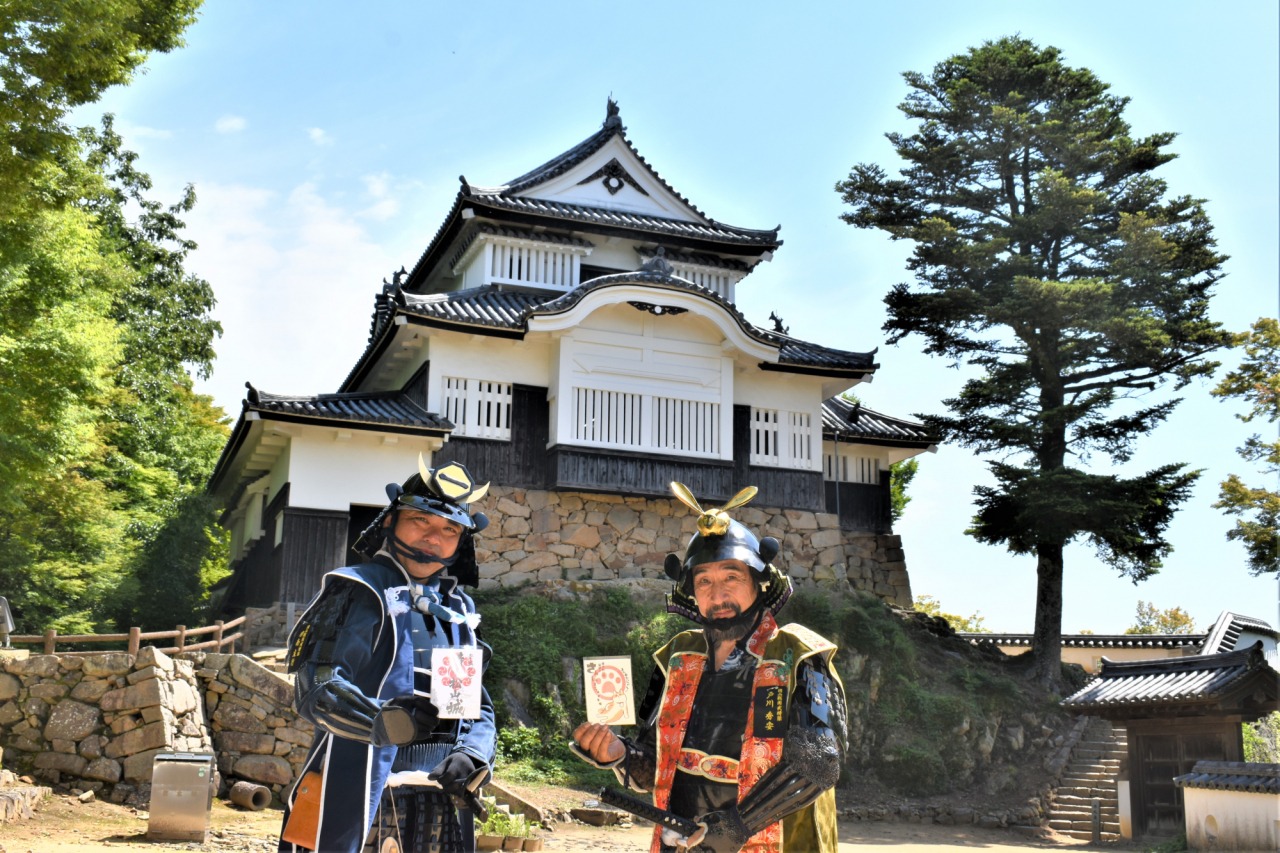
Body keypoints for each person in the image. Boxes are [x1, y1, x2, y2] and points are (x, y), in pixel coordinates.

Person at [572, 483, 847, 853]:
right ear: (692, 592)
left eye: (731, 577)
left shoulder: (799, 655)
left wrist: (738, 826)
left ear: (759, 582)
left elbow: (819, 764)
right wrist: (618, 754)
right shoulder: (676, 659)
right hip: (681, 841)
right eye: (704, 581)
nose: (717, 595)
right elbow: (656, 765)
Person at [279, 457, 497, 853]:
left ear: (461, 541)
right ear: (390, 520)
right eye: (421, 520)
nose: (433, 537)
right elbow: (318, 688)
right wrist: (384, 721)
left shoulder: (458, 610)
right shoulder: (357, 590)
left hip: (437, 802)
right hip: (357, 787)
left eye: (449, 529)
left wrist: (473, 753)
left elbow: (472, 706)